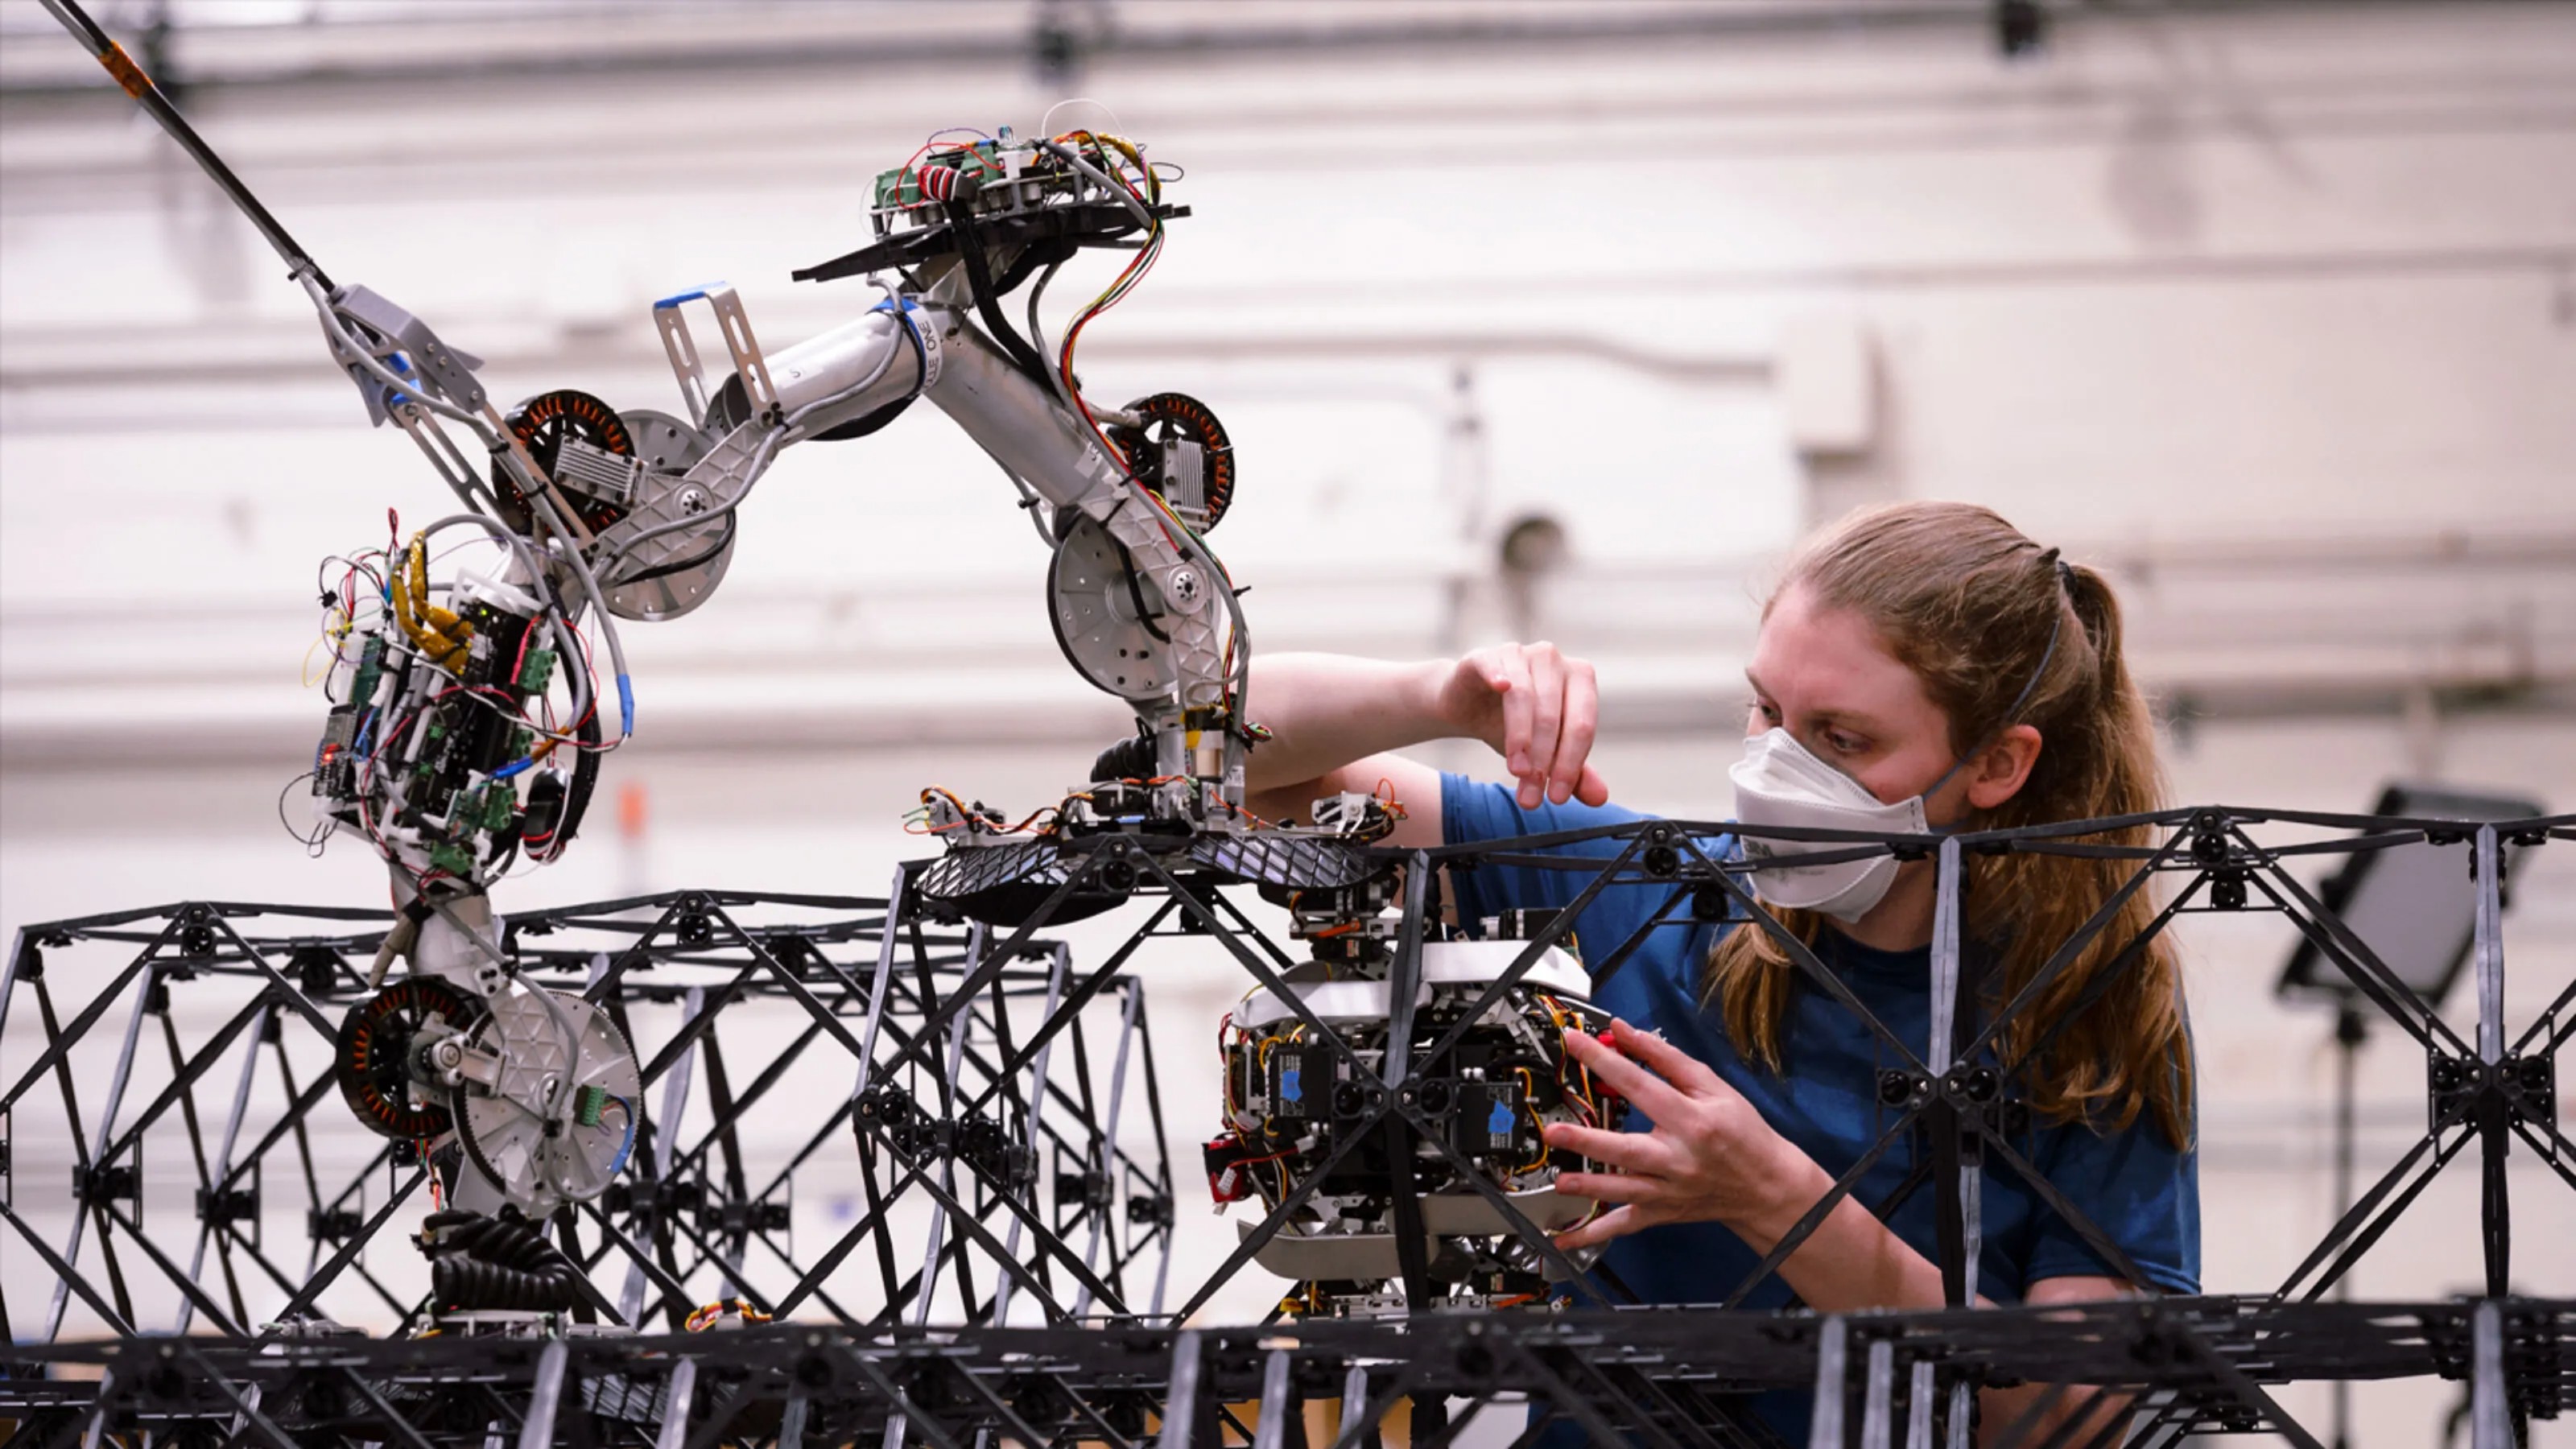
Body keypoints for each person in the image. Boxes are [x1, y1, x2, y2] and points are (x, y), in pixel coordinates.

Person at [1241, 502, 2198, 1444]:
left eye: (1841, 739)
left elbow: (2065, 1419)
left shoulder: (2084, 1008)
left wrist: (1770, 1196)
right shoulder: (1640, 891)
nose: (1774, 767)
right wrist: (1437, 699)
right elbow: (1224, 768)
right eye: (1767, 710)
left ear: (1994, 764)